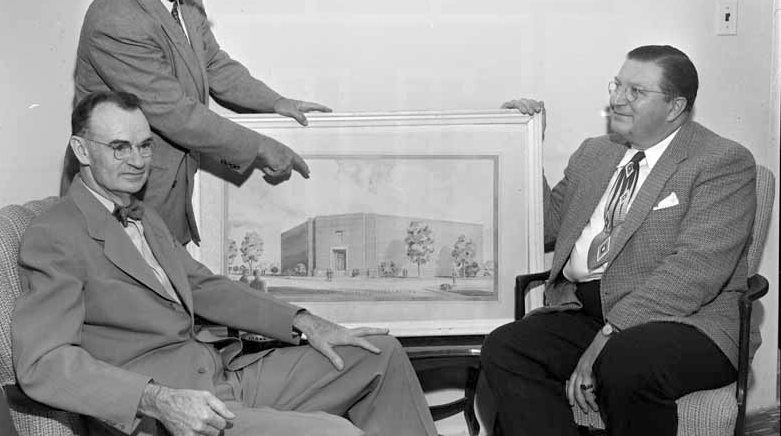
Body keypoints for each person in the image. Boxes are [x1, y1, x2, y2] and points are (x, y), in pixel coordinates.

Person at [13, 92, 437, 436]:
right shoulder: (57, 233)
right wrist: (156, 399)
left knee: (380, 354)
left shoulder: (144, 215)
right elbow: (42, 363)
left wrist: (304, 321)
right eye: (119, 147)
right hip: (173, 412)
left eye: (145, 146)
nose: (138, 161)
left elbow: (201, 286)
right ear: (81, 150)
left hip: (224, 373)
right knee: (335, 434)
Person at [481, 45, 757, 436]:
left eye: (635, 92)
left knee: (624, 362)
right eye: (617, 85)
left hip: (686, 321)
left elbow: (694, 272)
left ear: (675, 107)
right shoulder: (594, 154)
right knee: (506, 347)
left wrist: (608, 336)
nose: (616, 100)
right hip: (586, 309)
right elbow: (546, 228)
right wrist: (526, 145)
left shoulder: (721, 161)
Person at [69, 0, 332, 245]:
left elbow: (212, 62)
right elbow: (176, 114)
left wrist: (276, 102)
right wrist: (260, 147)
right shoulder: (115, 21)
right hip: (117, 196)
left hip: (160, 191)